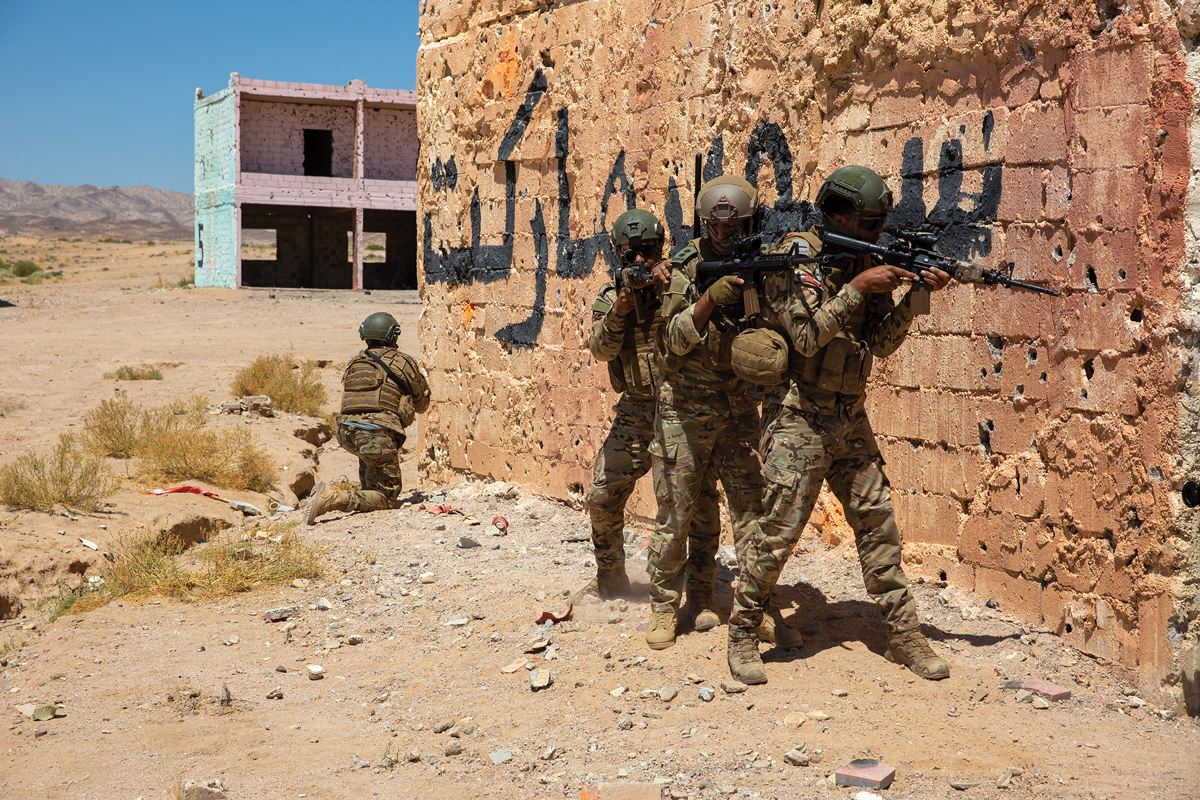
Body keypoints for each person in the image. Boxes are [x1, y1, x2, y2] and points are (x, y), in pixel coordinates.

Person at [725, 165, 952, 684]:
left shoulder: (863, 257)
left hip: (850, 412)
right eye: (870, 223)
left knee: (878, 523)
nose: (878, 233)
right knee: (778, 533)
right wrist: (858, 285)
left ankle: (903, 634)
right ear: (839, 215)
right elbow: (805, 336)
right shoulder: (796, 256)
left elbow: (879, 342)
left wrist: (915, 300)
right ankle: (741, 631)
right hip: (798, 417)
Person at [644, 174, 803, 651]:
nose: (724, 236)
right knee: (677, 515)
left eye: (734, 229)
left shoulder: (759, 263)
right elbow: (668, 342)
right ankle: (662, 607)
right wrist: (708, 301)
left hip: (738, 410)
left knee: (751, 515)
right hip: (684, 410)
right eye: (716, 228)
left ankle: (760, 609)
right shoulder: (683, 269)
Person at [581, 209, 723, 605]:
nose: (640, 260)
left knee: (694, 503)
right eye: (630, 253)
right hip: (637, 410)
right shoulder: (610, 298)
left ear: (660, 248)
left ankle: (699, 590)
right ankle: (610, 579)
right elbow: (599, 349)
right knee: (602, 495)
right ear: (617, 253)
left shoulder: (677, 285)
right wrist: (621, 311)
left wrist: (671, 288)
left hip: (681, 407)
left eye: (647, 250)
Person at [307, 312, 431, 524]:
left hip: (346, 433)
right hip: (375, 435)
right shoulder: (403, 362)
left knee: (372, 481)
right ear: (394, 335)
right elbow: (422, 405)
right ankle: (332, 498)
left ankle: (363, 497)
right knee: (386, 497)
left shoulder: (355, 362)